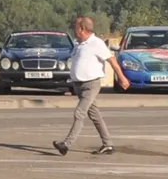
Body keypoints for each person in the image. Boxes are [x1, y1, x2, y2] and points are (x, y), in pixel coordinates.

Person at [53, 15, 126, 156]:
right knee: (95, 115)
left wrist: (122, 78)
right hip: (78, 85)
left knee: (79, 113)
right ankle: (108, 144)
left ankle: (66, 144)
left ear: (82, 29)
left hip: (91, 84)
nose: (74, 29)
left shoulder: (96, 43)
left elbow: (112, 61)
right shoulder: (78, 44)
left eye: (76, 27)